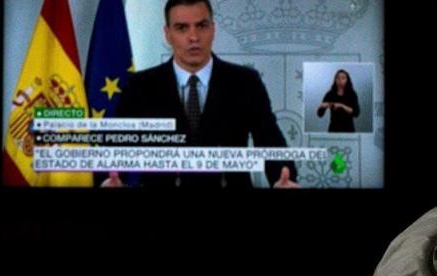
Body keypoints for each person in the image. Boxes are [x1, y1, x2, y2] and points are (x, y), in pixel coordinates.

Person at [106, 0, 298, 189]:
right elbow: (118, 149)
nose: (194, 37)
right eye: (182, 28)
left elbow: (270, 141)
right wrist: (111, 179)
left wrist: (282, 178)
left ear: (213, 29)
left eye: (201, 26)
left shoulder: (245, 82)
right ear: (168, 34)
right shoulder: (140, 86)